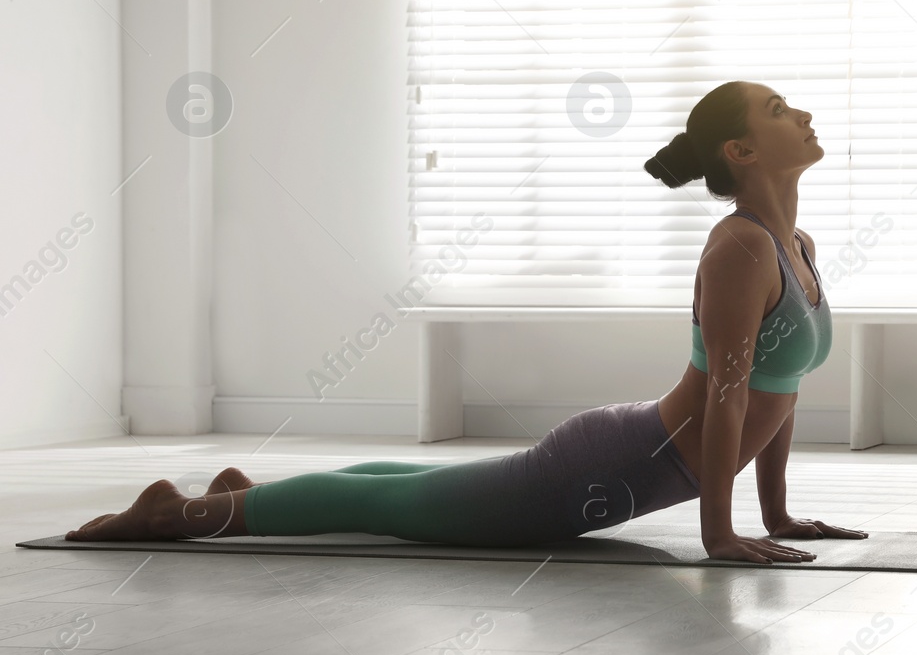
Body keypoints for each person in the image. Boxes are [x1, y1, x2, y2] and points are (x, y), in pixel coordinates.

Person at [65, 81, 867, 564]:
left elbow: (779, 390)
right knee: (388, 511)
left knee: (416, 491)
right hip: (598, 474)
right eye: (776, 108)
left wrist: (775, 513)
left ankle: (251, 489)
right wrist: (719, 535)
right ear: (742, 149)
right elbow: (728, 399)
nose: (800, 112)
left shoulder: (795, 245)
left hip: (630, 457)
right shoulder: (740, 250)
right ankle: (174, 513)